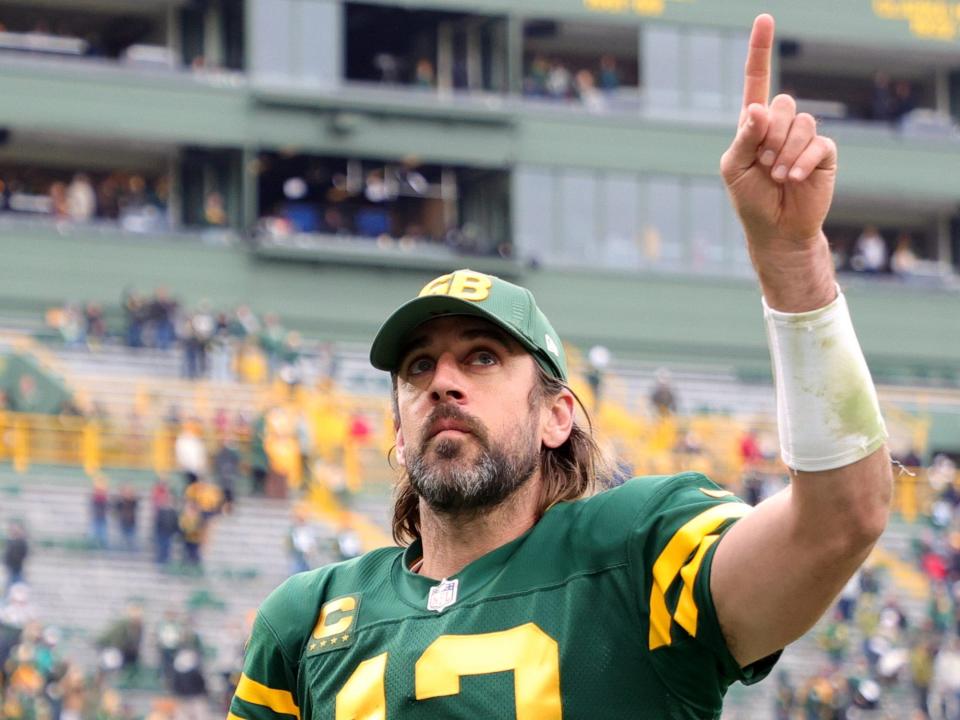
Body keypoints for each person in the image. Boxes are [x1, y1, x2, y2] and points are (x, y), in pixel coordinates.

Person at [229, 15, 892, 719]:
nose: (443, 381)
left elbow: (842, 520)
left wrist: (792, 261)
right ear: (396, 424)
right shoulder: (306, 622)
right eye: (418, 368)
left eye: (482, 357)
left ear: (556, 415)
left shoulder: (635, 552)